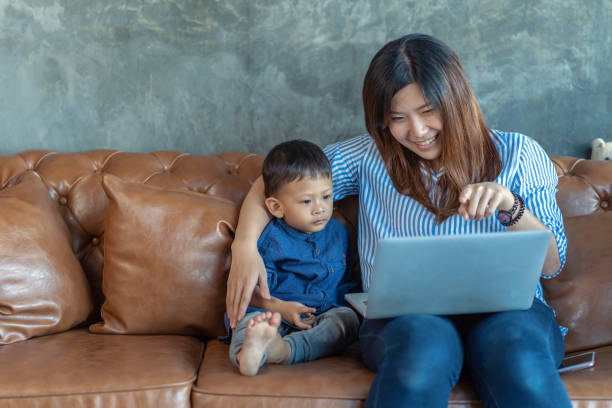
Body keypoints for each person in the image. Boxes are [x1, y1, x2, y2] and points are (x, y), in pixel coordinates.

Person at [226, 33, 571, 407]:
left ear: (456, 100)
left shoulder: (519, 152)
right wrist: (244, 246)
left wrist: (510, 205)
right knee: (422, 353)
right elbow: (272, 181)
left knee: (518, 357)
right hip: (404, 318)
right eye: (398, 119)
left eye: (427, 111)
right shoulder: (368, 155)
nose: (417, 132)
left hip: (511, 313)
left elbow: (552, 265)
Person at [227, 139, 359, 376]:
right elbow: (250, 292)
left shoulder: (339, 234)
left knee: (346, 320)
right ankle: (249, 354)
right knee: (249, 323)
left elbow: (343, 283)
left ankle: (284, 351)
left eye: (327, 197)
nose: (319, 208)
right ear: (276, 207)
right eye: (307, 201)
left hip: (319, 315)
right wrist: (281, 309)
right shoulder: (270, 239)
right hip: (273, 310)